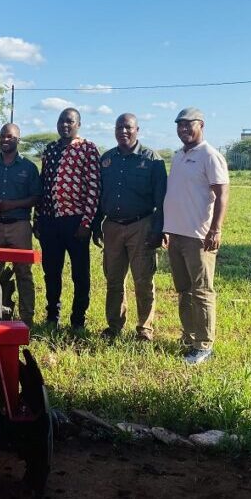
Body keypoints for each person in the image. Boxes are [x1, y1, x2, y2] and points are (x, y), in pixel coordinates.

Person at [92, 113, 167, 341]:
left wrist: (159, 229)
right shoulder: (106, 159)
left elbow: (162, 200)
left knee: (143, 280)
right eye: (119, 127)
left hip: (141, 225)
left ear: (137, 130)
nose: (123, 131)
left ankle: (145, 328)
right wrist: (97, 226)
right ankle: (114, 325)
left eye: (128, 127)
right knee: (114, 280)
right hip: (112, 227)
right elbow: (98, 195)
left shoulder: (152, 160)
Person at [163, 107, 229, 365]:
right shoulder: (179, 156)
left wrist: (215, 229)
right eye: (179, 125)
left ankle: (203, 345)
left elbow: (222, 194)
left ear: (201, 125)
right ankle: (189, 336)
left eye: (188, 125)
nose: (183, 129)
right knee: (184, 290)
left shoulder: (210, 156)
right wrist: (167, 229)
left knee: (201, 291)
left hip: (199, 237)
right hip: (176, 235)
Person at [33, 108, 101, 331]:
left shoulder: (88, 149)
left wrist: (86, 223)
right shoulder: (51, 149)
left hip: (76, 222)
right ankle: (53, 315)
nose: (65, 125)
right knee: (51, 272)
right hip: (51, 221)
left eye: (70, 122)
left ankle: (78, 320)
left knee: (80, 274)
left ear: (78, 124)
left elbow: (94, 187)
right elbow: (43, 185)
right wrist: (38, 219)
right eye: (62, 121)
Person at [0, 123, 42, 326]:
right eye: (2, 136)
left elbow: (35, 197)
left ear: (18, 140)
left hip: (19, 226)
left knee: (23, 272)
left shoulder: (28, 167)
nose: (5, 140)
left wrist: (11, 205)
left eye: (10, 137)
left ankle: (27, 318)